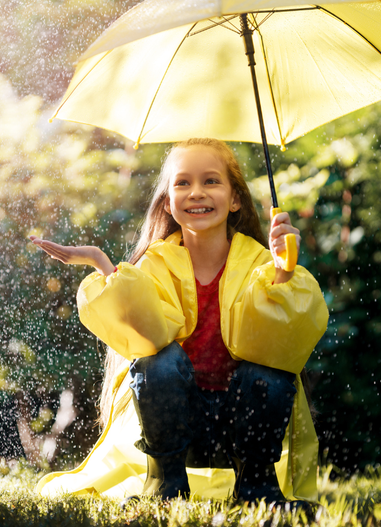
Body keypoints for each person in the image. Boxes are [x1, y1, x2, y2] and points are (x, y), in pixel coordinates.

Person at [30, 138, 329, 504]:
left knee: (269, 372)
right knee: (158, 361)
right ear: (168, 203)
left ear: (235, 199)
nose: (196, 192)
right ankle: (165, 486)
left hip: (244, 425)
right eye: (183, 183)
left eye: (211, 181)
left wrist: (283, 272)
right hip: (176, 427)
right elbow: (139, 331)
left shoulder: (261, 263)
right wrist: (100, 262)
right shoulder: (156, 264)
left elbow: (282, 341)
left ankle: (258, 489)